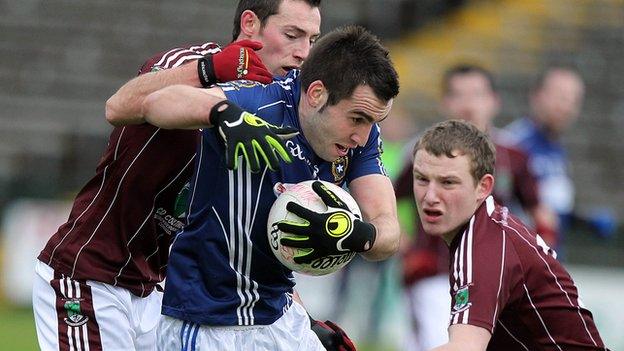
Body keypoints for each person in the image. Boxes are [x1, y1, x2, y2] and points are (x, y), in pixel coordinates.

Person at [32, 1, 323, 350]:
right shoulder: (191, 63)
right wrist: (210, 70)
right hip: (90, 275)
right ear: (250, 24)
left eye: (312, 40)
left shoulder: (274, 114)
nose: (304, 53)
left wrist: (305, 322)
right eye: (293, 35)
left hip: (159, 293)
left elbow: (251, 245)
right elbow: (118, 105)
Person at [110, 25, 400, 350]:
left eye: (372, 122)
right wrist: (222, 113)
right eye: (357, 119)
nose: (362, 135)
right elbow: (156, 103)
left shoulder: (362, 139)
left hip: (280, 318)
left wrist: (358, 235)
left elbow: (388, 229)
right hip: (207, 323)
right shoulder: (258, 102)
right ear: (316, 94)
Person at [395, 63, 559, 351]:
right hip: (436, 277)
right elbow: (387, 201)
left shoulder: (513, 156)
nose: (468, 104)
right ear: (445, 102)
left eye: (477, 94)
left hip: (495, 282)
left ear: (494, 101)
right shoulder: (422, 152)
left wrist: (537, 265)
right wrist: (406, 248)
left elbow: (541, 214)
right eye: (458, 95)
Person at [411, 119, 608, 350]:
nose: (430, 196)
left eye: (448, 182)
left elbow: (465, 348)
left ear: (483, 187)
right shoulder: (489, 227)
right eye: (422, 179)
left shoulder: (482, 247)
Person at [505, 65, 585, 252]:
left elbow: (552, 203)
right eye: (560, 96)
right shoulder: (514, 144)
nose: (567, 106)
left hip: (549, 256)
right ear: (537, 96)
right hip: (521, 258)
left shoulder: (557, 147)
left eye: (574, 100)